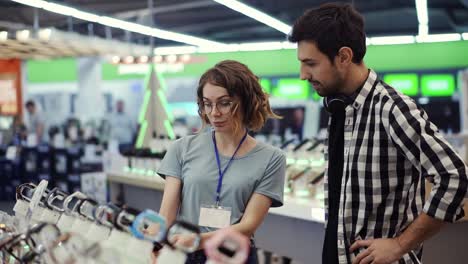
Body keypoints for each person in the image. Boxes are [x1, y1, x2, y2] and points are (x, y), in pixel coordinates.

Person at [288, 3, 468, 264]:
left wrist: (399, 244)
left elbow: (454, 177)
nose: (303, 75)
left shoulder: (392, 109)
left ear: (344, 57)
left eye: (311, 63)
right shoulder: (341, 108)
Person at [155, 60, 286, 264]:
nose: (214, 112)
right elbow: (166, 214)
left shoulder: (271, 158)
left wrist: (198, 241)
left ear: (246, 101)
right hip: (186, 253)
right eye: (207, 103)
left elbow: (249, 224)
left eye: (224, 103)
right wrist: (152, 241)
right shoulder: (181, 148)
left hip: (233, 254)